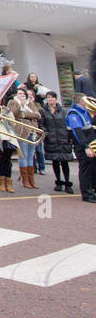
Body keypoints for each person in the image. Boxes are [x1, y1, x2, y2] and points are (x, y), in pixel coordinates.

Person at [70, 49, 96, 203]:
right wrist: (86, 147)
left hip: (89, 143)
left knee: (90, 169)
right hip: (82, 146)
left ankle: (91, 191)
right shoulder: (74, 114)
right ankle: (86, 194)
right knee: (85, 170)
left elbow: (87, 127)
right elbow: (78, 132)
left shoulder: (84, 113)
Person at [39, 90, 74, 193]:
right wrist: (47, 134)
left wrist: (68, 137)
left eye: (52, 97)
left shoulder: (63, 111)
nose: (50, 99)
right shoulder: (43, 111)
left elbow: (68, 124)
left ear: (56, 99)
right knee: (55, 161)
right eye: (48, 97)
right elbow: (41, 124)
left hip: (63, 139)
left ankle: (67, 183)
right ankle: (58, 182)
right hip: (51, 140)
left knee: (64, 162)